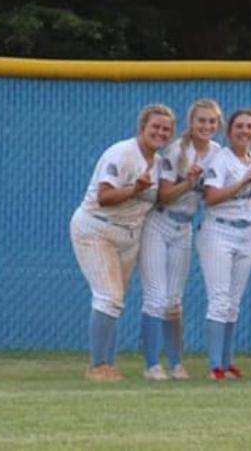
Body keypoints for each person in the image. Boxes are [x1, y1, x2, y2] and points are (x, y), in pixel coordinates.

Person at [70, 104, 176, 381]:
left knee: (115, 300)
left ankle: (108, 363)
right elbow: (104, 197)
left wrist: (188, 182)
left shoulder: (160, 162)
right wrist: (135, 189)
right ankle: (97, 366)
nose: (160, 132)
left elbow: (161, 198)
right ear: (142, 128)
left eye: (166, 129)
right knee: (108, 296)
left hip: (128, 235)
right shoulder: (123, 153)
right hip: (97, 228)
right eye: (155, 126)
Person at [140, 98, 223, 380]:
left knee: (174, 300)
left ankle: (176, 363)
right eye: (201, 120)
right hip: (160, 223)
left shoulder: (218, 152)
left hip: (185, 227)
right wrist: (188, 182)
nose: (206, 126)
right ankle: (152, 364)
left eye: (212, 121)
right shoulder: (177, 150)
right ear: (191, 122)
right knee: (156, 297)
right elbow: (163, 195)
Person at [196, 108, 251, 380]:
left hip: (245, 233)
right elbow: (210, 197)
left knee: (234, 302)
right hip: (218, 232)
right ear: (229, 131)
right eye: (239, 127)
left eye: (250, 127)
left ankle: (226, 361)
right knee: (220, 300)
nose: (245, 131)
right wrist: (241, 181)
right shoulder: (220, 159)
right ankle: (215, 366)